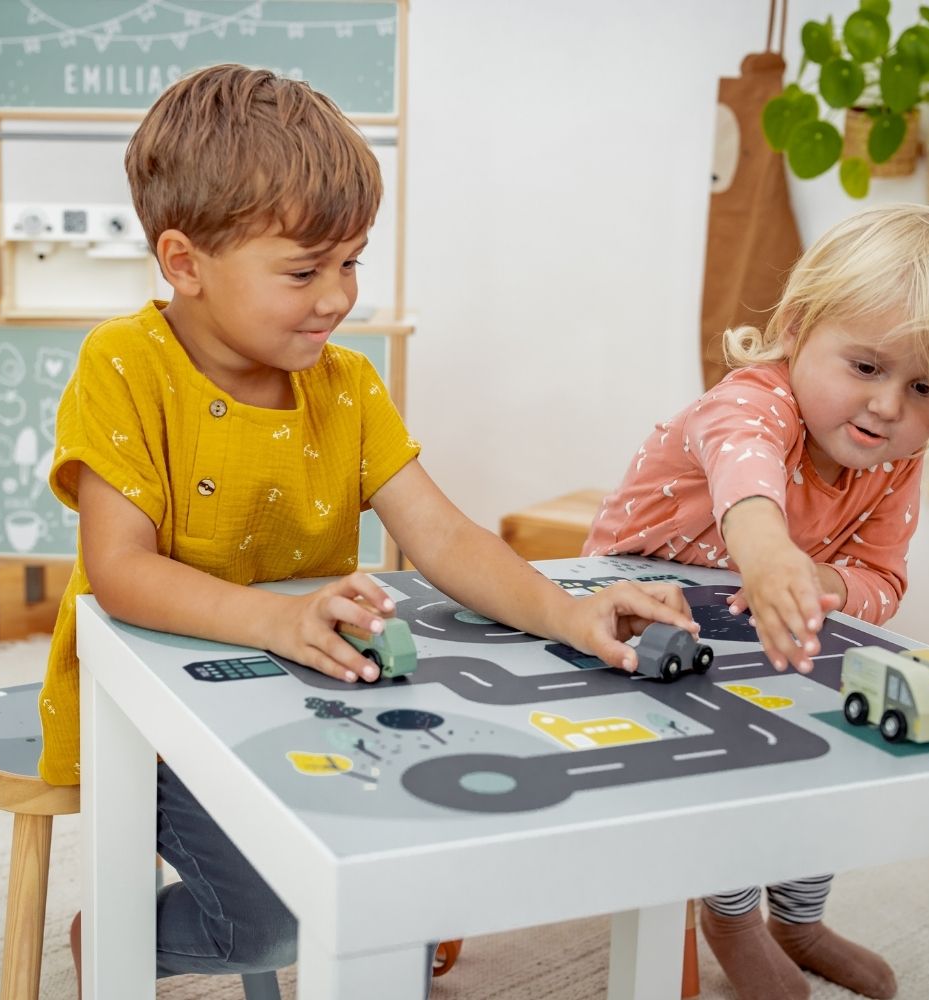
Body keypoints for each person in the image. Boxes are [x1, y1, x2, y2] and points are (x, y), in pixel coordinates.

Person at [37, 63, 698, 992]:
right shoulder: (122, 367)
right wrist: (276, 620)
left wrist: (568, 615)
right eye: (304, 270)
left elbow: (446, 536)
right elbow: (120, 572)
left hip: (312, 689)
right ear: (184, 263)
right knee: (266, 928)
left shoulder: (347, 385)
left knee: (425, 853)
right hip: (151, 718)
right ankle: (110, 932)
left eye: (350, 262)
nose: (337, 296)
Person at [582, 203, 929, 1000]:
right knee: (728, 755)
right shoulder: (749, 400)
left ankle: (799, 919)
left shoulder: (893, 462)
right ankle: (732, 915)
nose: (886, 407)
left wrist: (824, 583)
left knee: (835, 738)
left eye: (922, 388)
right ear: (800, 328)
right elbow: (747, 481)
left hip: (758, 616)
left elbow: (883, 581)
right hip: (634, 609)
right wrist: (774, 556)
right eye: (866, 368)